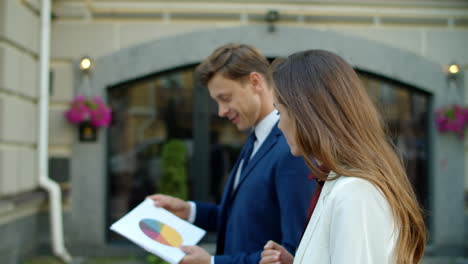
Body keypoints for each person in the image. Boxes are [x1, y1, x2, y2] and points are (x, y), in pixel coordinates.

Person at [148, 44, 315, 264]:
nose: (221, 111)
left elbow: (293, 252)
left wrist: (213, 263)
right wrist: (189, 211)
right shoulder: (255, 139)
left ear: (255, 82)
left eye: (225, 98)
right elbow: (244, 219)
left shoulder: (290, 149)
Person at [259, 50, 426, 264]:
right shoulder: (343, 183)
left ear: (307, 113)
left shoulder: (354, 192)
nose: (280, 125)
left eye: (280, 112)